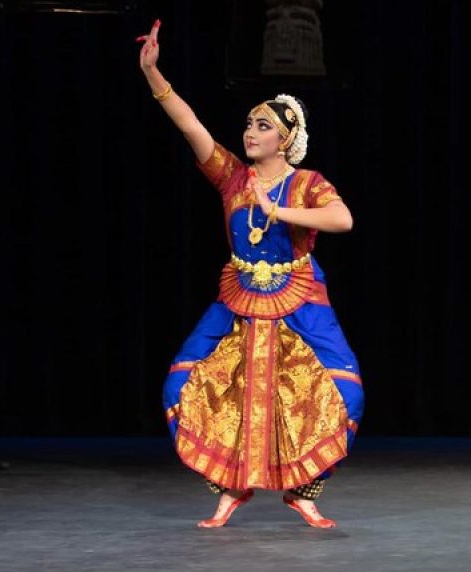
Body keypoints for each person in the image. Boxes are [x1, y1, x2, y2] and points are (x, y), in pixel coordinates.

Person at [139, 19, 364, 528]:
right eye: (248, 124)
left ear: (284, 138)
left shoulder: (307, 183)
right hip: (238, 293)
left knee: (344, 388)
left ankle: (303, 490)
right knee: (184, 383)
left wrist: (280, 213)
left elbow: (342, 219)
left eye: (262, 126)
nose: (249, 132)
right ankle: (231, 486)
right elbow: (190, 125)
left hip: (301, 295)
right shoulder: (231, 177)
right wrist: (154, 75)